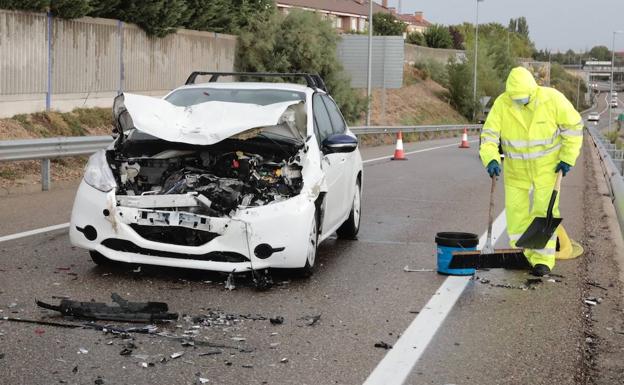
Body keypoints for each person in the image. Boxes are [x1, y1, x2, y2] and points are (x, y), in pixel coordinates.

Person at [479, 66, 583, 276]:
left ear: (533, 91)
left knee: (545, 213)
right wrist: (490, 158)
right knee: (516, 215)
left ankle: (543, 261)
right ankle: (525, 254)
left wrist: (567, 158)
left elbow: (573, 128)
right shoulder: (502, 103)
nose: (518, 102)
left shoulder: (552, 99)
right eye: (515, 98)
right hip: (516, 171)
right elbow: (489, 136)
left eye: (522, 98)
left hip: (548, 169)